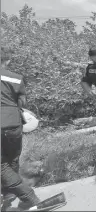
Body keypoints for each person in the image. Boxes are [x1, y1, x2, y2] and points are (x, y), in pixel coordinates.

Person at [1, 47, 41, 210]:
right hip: (13, 122)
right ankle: (8, 194)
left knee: (2, 166)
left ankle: (30, 198)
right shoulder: (16, 78)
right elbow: (22, 103)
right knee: (11, 160)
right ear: (7, 61)